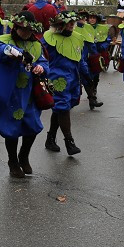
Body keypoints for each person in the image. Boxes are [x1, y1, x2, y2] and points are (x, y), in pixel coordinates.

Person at [0, 11, 49, 178]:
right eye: (22, 29)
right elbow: (2, 51)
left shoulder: (37, 45)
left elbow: (44, 62)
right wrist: (18, 53)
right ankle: (12, 161)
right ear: (15, 28)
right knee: (11, 128)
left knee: (32, 125)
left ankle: (24, 156)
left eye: (28, 30)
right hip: (11, 93)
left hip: (30, 94)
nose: (25, 33)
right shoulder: (2, 41)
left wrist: (41, 67)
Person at [42, 11, 89, 155]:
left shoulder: (76, 38)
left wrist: (87, 77)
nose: (71, 26)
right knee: (62, 107)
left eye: (72, 23)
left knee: (61, 108)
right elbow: (41, 56)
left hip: (73, 78)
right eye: (68, 23)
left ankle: (50, 138)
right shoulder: (49, 39)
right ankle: (69, 142)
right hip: (57, 78)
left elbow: (80, 59)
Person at [78, 10, 108, 108]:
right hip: (78, 56)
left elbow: (105, 40)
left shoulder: (92, 29)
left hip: (91, 56)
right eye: (89, 17)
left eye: (93, 17)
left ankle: (92, 98)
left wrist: (100, 48)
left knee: (91, 77)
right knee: (83, 78)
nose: (91, 19)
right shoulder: (75, 29)